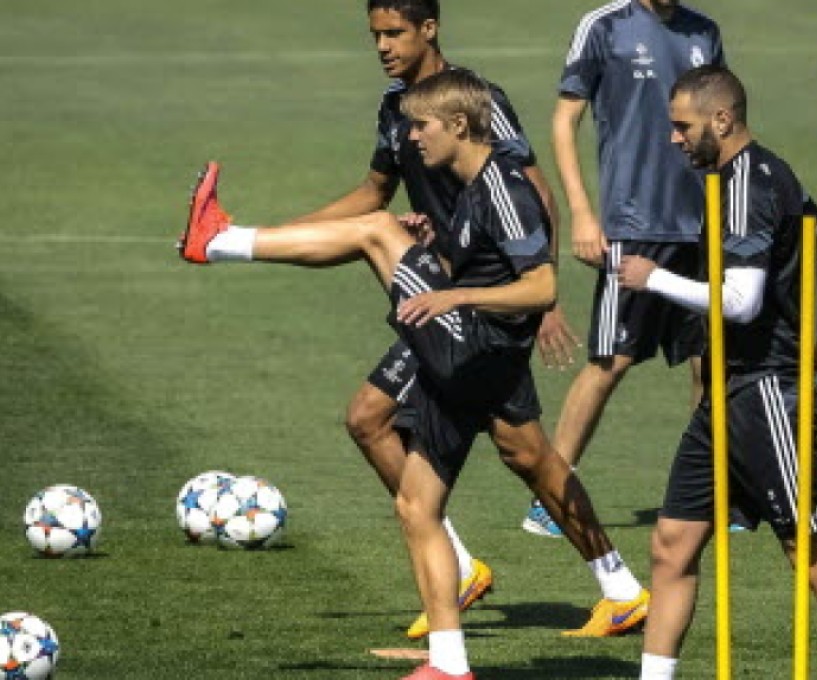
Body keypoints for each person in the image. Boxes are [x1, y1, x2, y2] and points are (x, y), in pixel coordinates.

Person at [179, 69, 649, 679]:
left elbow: (543, 284)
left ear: (458, 125)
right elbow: (471, 261)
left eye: (422, 127)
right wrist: (435, 247)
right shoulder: (472, 187)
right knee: (419, 504)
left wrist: (452, 299)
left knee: (376, 230)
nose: (413, 139)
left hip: (474, 348)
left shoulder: (504, 184)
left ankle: (220, 241)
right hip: (477, 356)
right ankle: (451, 666)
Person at [221, 0, 582, 639]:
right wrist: (287, 231)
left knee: (511, 448)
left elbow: (532, 187)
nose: (383, 46)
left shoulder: (476, 101)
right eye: (375, 35)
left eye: (394, 33)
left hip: (474, 302)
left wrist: (542, 295)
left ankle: (589, 584)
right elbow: (373, 194)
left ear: (429, 28)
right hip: (441, 290)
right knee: (401, 430)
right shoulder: (396, 110)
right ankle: (474, 585)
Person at [616, 65, 817, 680]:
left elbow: (742, 300)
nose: (673, 139)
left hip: (766, 388)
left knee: (812, 552)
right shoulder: (762, 171)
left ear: (722, 118)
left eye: (682, 126)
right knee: (671, 544)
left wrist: (651, 278)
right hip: (727, 390)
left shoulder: (745, 185)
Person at [522, 0, 726, 538]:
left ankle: (706, 492)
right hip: (632, 225)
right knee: (610, 360)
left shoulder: (705, 31)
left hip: (701, 227)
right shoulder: (603, 26)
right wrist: (585, 213)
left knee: (708, 362)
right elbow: (565, 120)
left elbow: (723, 127)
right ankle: (553, 494)